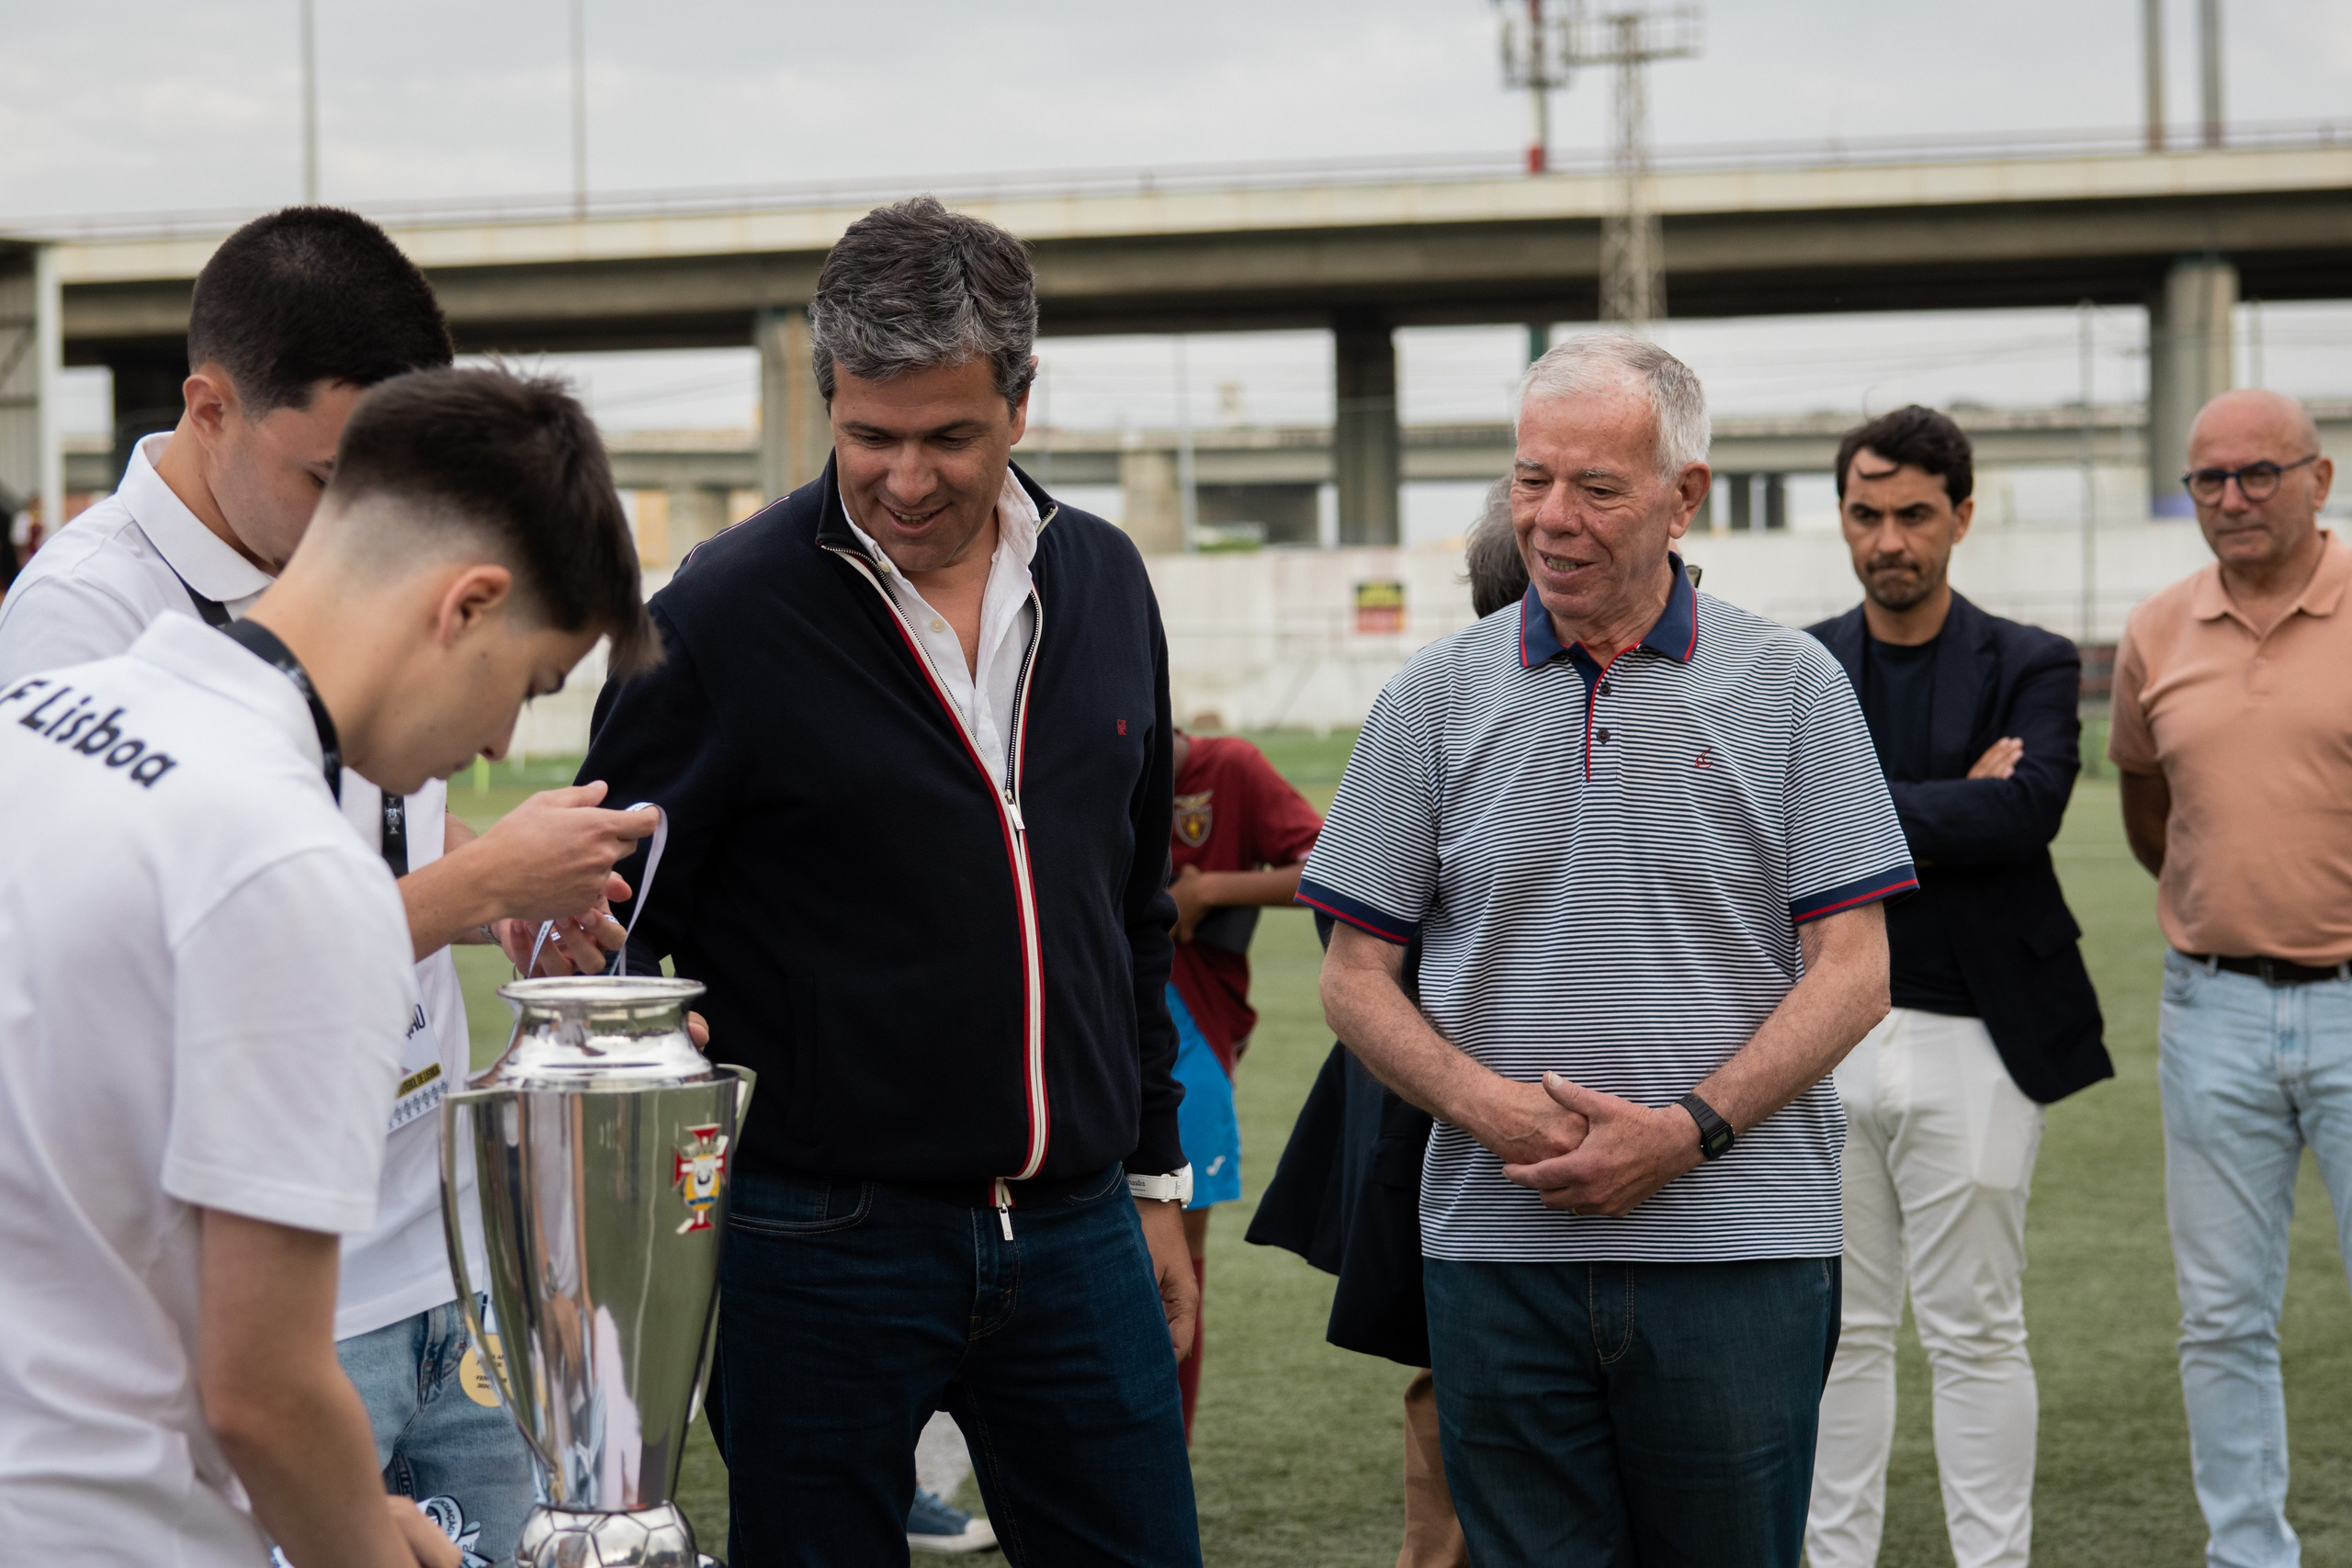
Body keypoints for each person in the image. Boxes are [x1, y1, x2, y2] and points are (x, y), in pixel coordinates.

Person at [0, 209, 648, 1565]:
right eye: (526, 689)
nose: (488, 748)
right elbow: (263, 1390)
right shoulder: (285, 859)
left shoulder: (74, 716)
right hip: (128, 1520)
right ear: (462, 604)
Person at [573, 195, 1202, 1567]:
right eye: (871, 436)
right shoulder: (718, 619)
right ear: (828, 406)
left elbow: (1135, 905)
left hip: (1079, 1220)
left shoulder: (1105, 581)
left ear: (1022, 405)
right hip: (819, 1238)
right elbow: (611, 948)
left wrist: (1153, 1174)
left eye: (949, 437)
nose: (906, 477)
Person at [1306, 333, 1914, 1567]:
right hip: (1497, 1249)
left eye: (1597, 485)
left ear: (1686, 494)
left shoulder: (1795, 685)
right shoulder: (1428, 697)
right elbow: (1350, 974)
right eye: (1532, 479)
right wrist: (1499, 1113)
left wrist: (1688, 1129)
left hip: (1742, 1248)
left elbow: (1857, 967)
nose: (1552, 517)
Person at [1801, 405, 2111, 1568]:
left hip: (1980, 1032)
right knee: (1842, 1340)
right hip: (1824, 1031)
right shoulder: (1800, 662)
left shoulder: (2031, 659)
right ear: (1842, 518)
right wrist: (1948, 800)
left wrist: (1859, 806)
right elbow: (1779, 832)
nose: (1889, 538)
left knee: (1977, 1332)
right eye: (1867, 514)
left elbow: (2026, 811)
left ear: (1960, 518)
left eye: (1914, 514)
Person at [1251, 478, 1524, 1568]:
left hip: (1436, 1121)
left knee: (1460, 1382)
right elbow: (1352, 943)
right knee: (1472, 1386)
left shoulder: (1427, 704)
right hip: (1458, 1134)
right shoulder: (1441, 710)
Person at [2109, 388, 2350, 1568]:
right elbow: (2151, 815)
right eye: (2209, 479)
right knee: (2220, 1317)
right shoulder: (2157, 630)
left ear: (2320, 479)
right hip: (2210, 1006)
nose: (2234, 498)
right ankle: (2248, 1553)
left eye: (2260, 473)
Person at [1164, 725, 1324, 1440]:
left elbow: (1334, 862)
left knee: (1170, 1272)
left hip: (1189, 1036)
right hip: (1077, 1037)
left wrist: (1213, 890)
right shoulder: (1063, 752)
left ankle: (1166, 1465)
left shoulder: (1227, 766)